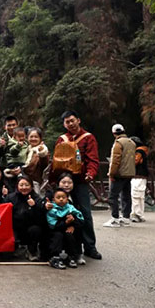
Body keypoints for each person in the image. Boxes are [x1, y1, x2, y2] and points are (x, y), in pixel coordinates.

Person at [51, 110, 101, 260]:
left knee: (84, 213)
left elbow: (93, 159)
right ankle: (62, 247)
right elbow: (55, 160)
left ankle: (90, 247)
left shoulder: (88, 138)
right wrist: (52, 180)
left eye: (72, 120)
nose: (70, 124)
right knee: (57, 212)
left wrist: (90, 173)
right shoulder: (62, 139)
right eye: (67, 122)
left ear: (78, 120)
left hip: (80, 181)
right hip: (63, 180)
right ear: (64, 124)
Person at [7, 176, 46, 262]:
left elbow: (41, 219)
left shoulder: (37, 199)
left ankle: (32, 251)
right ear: (17, 186)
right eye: (21, 185)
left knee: (36, 230)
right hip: (15, 228)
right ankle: (16, 248)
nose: (24, 187)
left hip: (29, 228)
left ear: (31, 186)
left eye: (27, 185)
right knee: (7, 254)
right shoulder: (11, 197)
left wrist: (34, 207)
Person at [104, 124, 136, 228]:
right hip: (129, 173)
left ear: (114, 133)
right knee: (126, 196)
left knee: (112, 196)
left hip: (119, 174)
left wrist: (111, 174)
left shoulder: (118, 143)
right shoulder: (132, 142)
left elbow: (115, 160)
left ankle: (115, 218)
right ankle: (126, 218)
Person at [46, 188, 84, 270]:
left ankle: (71, 256)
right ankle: (55, 257)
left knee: (70, 235)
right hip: (55, 230)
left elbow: (81, 219)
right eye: (58, 197)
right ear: (53, 199)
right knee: (58, 236)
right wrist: (66, 222)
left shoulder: (71, 208)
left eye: (63, 197)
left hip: (67, 229)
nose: (61, 199)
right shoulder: (51, 209)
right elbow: (53, 225)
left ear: (67, 199)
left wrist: (73, 221)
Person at [23, 127, 49, 195]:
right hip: (24, 182)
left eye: (36, 137)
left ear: (40, 138)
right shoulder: (25, 149)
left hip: (36, 182)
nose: (33, 139)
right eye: (31, 137)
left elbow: (44, 164)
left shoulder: (43, 150)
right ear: (27, 138)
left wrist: (41, 153)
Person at [130, 136, 149, 222]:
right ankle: (140, 214)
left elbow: (135, 161)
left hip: (137, 176)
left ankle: (136, 214)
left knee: (135, 195)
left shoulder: (139, 151)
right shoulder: (144, 151)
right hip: (143, 176)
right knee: (141, 196)